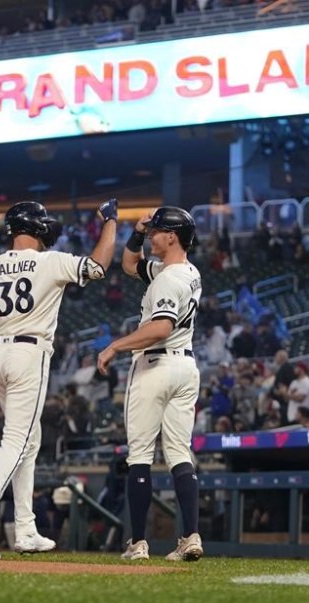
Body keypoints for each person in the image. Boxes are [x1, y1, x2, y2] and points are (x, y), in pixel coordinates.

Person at [0, 199, 117, 559]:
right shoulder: (50, 260)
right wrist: (111, 223)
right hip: (29, 354)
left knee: (30, 438)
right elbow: (99, 267)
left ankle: (26, 530)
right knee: (17, 441)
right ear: (38, 228)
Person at [96, 206, 204, 562]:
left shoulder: (168, 280)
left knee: (140, 456)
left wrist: (116, 344)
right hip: (185, 368)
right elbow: (130, 265)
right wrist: (139, 233)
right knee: (179, 453)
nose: (153, 234)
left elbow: (160, 327)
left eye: (158, 230)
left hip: (155, 365)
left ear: (171, 237)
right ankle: (190, 536)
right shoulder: (185, 272)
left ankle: (138, 542)